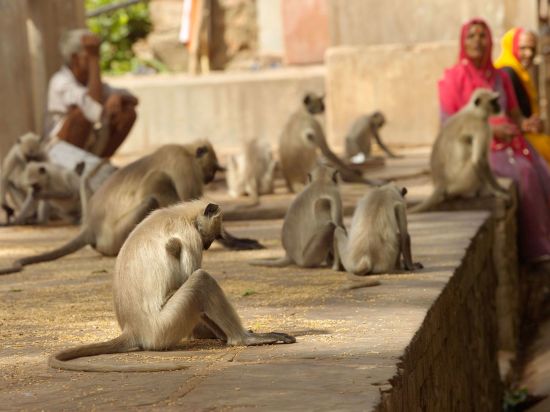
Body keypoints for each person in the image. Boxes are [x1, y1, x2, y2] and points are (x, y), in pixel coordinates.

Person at [438, 18, 550, 268]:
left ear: (490, 41)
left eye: (482, 35)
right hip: (476, 148)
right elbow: (449, 127)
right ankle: (537, 251)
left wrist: (526, 124)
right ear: (463, 42)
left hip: (511, 142)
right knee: (525, 174)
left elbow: (515, 115)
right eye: (471, 36)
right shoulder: (452, 79)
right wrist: (491, 129)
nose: (477, 41)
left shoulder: (500, 77)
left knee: (544, 173)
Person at [46, 29, 138, 158]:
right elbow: (91, 106)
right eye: (88, 56)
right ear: (75, 58)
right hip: (60, 150)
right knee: (82, 114)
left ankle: (98, 164)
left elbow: (134, 99)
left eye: (97, 55)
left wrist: (117, 97)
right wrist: (93, 58)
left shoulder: (92, 84)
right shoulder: (60, 81)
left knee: (126, 111)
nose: (96, 60)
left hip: (90, 144)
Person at [495, 27, 550, 165]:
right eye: (523, 48)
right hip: (511, 139)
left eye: (532, 49)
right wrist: (526, 125)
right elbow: (503, 115)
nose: (529, 53)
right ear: (511, 47)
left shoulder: (520, 73)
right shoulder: (507, 73)